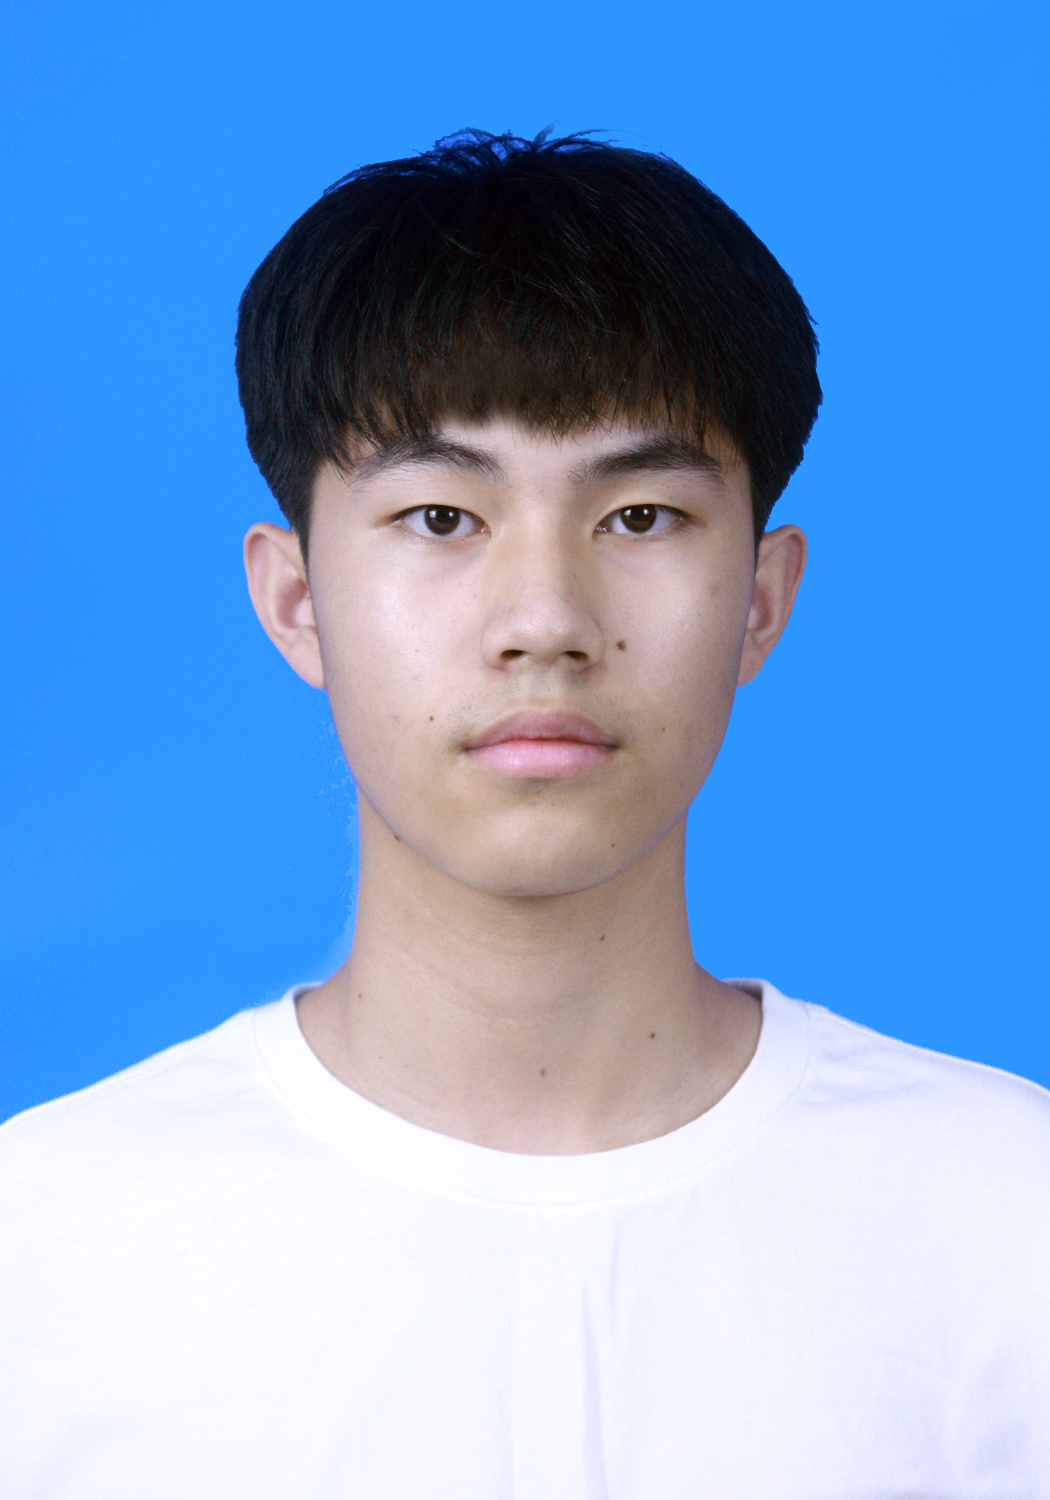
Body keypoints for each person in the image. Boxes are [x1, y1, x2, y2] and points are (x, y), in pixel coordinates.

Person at [1, 129, 1047, 1499]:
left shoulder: (1007, 1220)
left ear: (761, 599)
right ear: (295, 601)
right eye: (441, 518)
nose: (544, 620)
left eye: (640, 517)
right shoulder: (45, 1250)